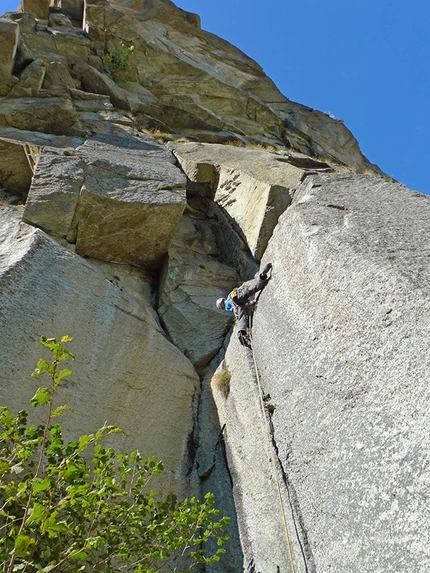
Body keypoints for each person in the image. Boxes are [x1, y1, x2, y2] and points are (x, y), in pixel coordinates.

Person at [216, 263, 272, 347]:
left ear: (222, 306)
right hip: (240, 293)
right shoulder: (229, 296)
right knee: (256, 287)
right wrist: (250, 302)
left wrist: (250, 304)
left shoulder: (228, 306)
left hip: (235, 301)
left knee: (241, 317)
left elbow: (239, 308)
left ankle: (241, 333)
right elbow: (238, 294)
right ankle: (263, 275)